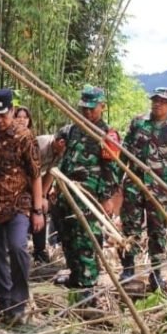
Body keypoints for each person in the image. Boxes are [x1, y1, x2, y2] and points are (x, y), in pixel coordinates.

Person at [51, 85, 121, 299]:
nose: (88, 113)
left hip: (89, 194)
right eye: (85, 109)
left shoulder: (107, 135)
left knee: (86, 238)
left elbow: (112, 169)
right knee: (68, 236)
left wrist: (107, 197)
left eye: (92, 109)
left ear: (102, 107)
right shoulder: (72, 129)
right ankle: (75, 274)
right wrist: (56, 186)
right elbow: (65, 159)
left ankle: (88, 285)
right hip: (67, 191)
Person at [0, 90, 43, 322]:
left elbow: (35, 174)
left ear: (12, 110)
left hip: (18, 203)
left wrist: (37, 210)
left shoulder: (25, 137)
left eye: (3, 115)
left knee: (17, 247)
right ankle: (4, 301)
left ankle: (19, 300)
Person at [120, 87, 167, 292]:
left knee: (157, 231)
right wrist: (117, 182)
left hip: (160, 189)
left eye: (162, 102)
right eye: (155, 100)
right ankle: (128, 268)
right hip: (134, 184)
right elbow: (124, 151)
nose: (157, 104)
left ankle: (156, 273)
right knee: (130, 226)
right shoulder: (138, 122)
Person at [14, 105, 58, 263]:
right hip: (17, 185)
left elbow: (49, 173)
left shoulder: (59, 151)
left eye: (25, 117)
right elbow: (29, 172)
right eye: (18, 116)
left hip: (34, 184)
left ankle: (39, 250)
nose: (21, 120)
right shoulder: (38, 143)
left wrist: (42, 196)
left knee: (40, 210)